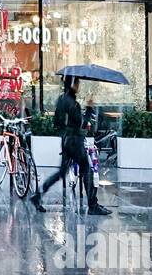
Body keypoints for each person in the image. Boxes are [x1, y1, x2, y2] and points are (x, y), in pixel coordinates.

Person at [32, 77, 110, 216]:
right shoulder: (72, 103)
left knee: (62, 173)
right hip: (74, 141)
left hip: (66, 140)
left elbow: (57, 123)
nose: (79, 86)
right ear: (73, 85)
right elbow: (81, 124)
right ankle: (92, 205)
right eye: (78, 83)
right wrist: (89, 109)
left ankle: (38, 195)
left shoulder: (62, 99)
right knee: (86, 169)